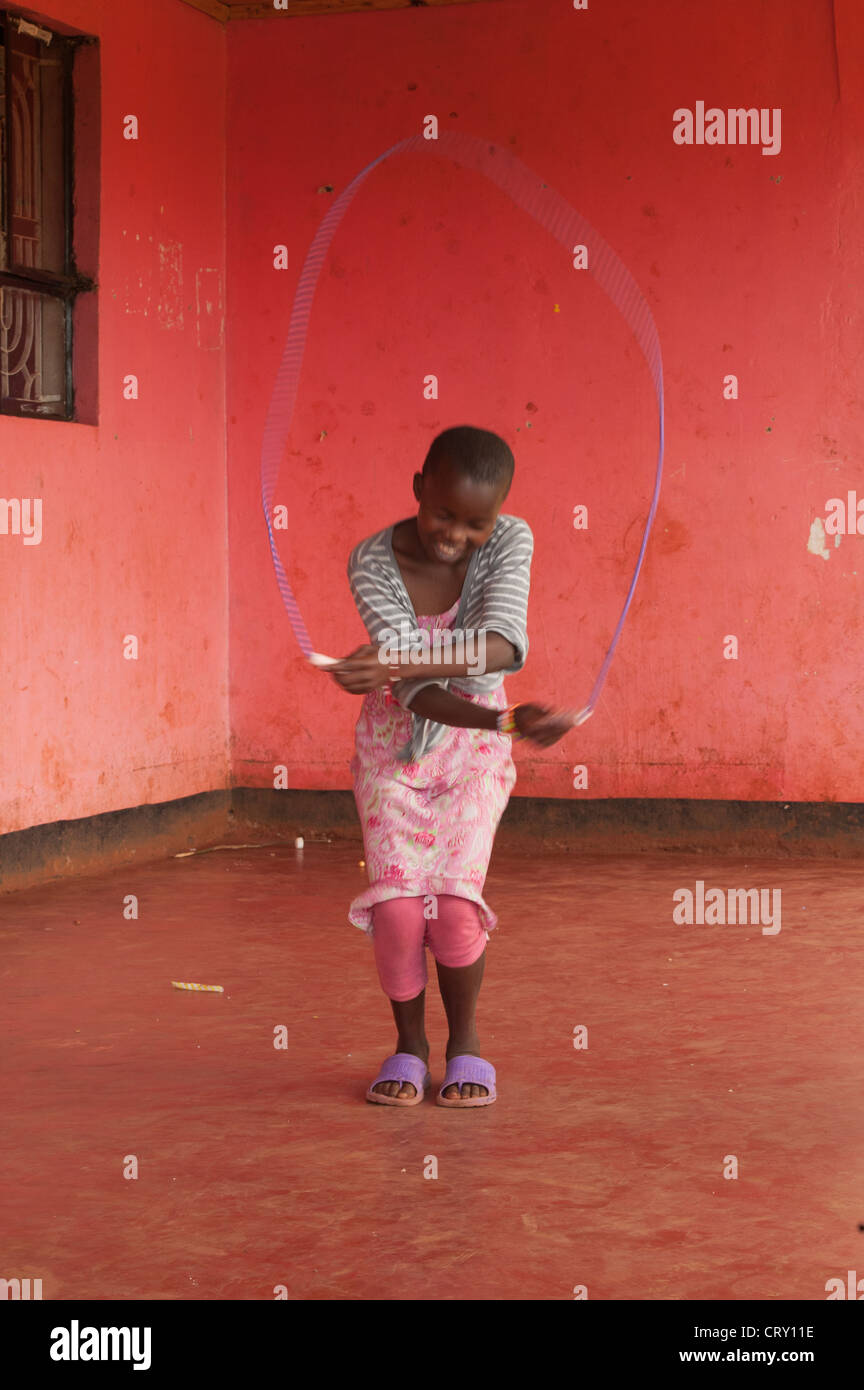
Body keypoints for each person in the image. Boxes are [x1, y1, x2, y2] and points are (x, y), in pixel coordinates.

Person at [328, 425, 573, 1108]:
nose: (456, 535)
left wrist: (401, 658)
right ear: (417, 490)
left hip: (472, 757)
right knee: (402, 912)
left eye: (475, 522)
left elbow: (501, 647)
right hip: (392, 756)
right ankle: (410, 1047)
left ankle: (465, 1043)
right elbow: (411, 692)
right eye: (443, 514)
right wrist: (414, 674)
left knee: (458, 908)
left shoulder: (510, 540)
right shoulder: (372, 561)